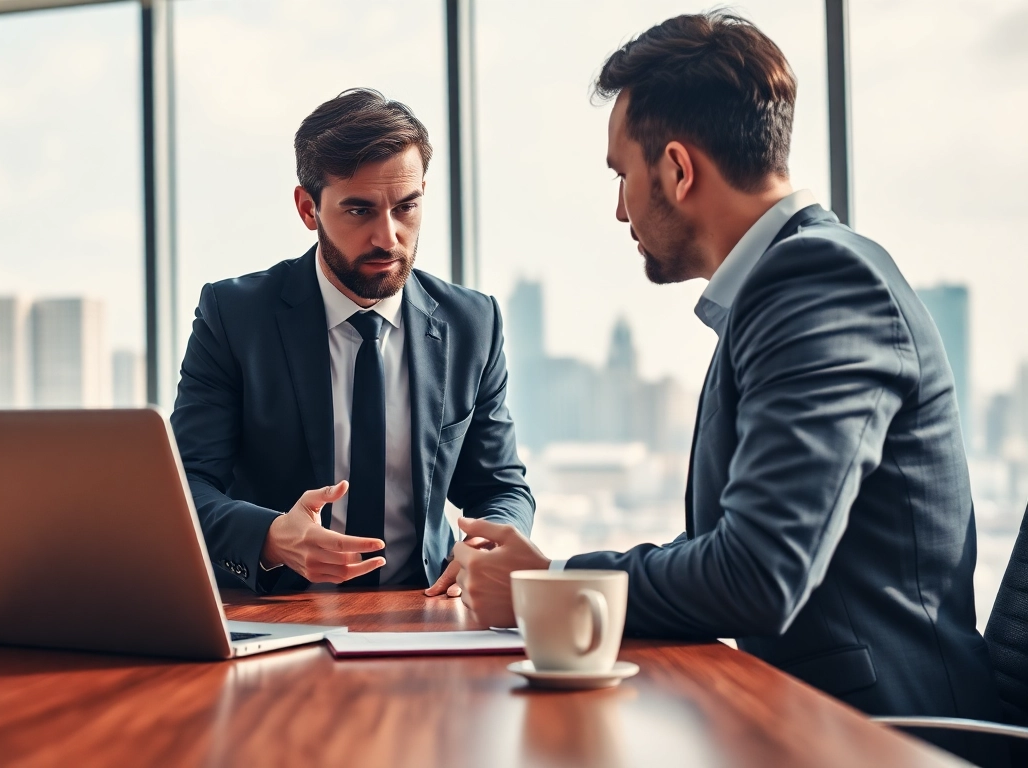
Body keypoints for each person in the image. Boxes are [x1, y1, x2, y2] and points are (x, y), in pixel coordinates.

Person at [447, 12, 1006, 764]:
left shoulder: (818, 283)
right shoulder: (782, 286)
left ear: (677, 169)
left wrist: (549, 585)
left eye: (623, 174)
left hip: (884, 740)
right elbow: (734, 547)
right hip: (798, 719)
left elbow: (756, 572)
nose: (619, 209)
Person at [171, 88, 534, 593]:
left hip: (425, 610)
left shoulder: (473, 323)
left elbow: (500, 488)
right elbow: (185, 486)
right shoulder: (234, 317)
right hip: (278, 617)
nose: (388, 237)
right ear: (307, 208)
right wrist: (272, 538)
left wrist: (488, 545)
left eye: (406, 207)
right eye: (360, 211)